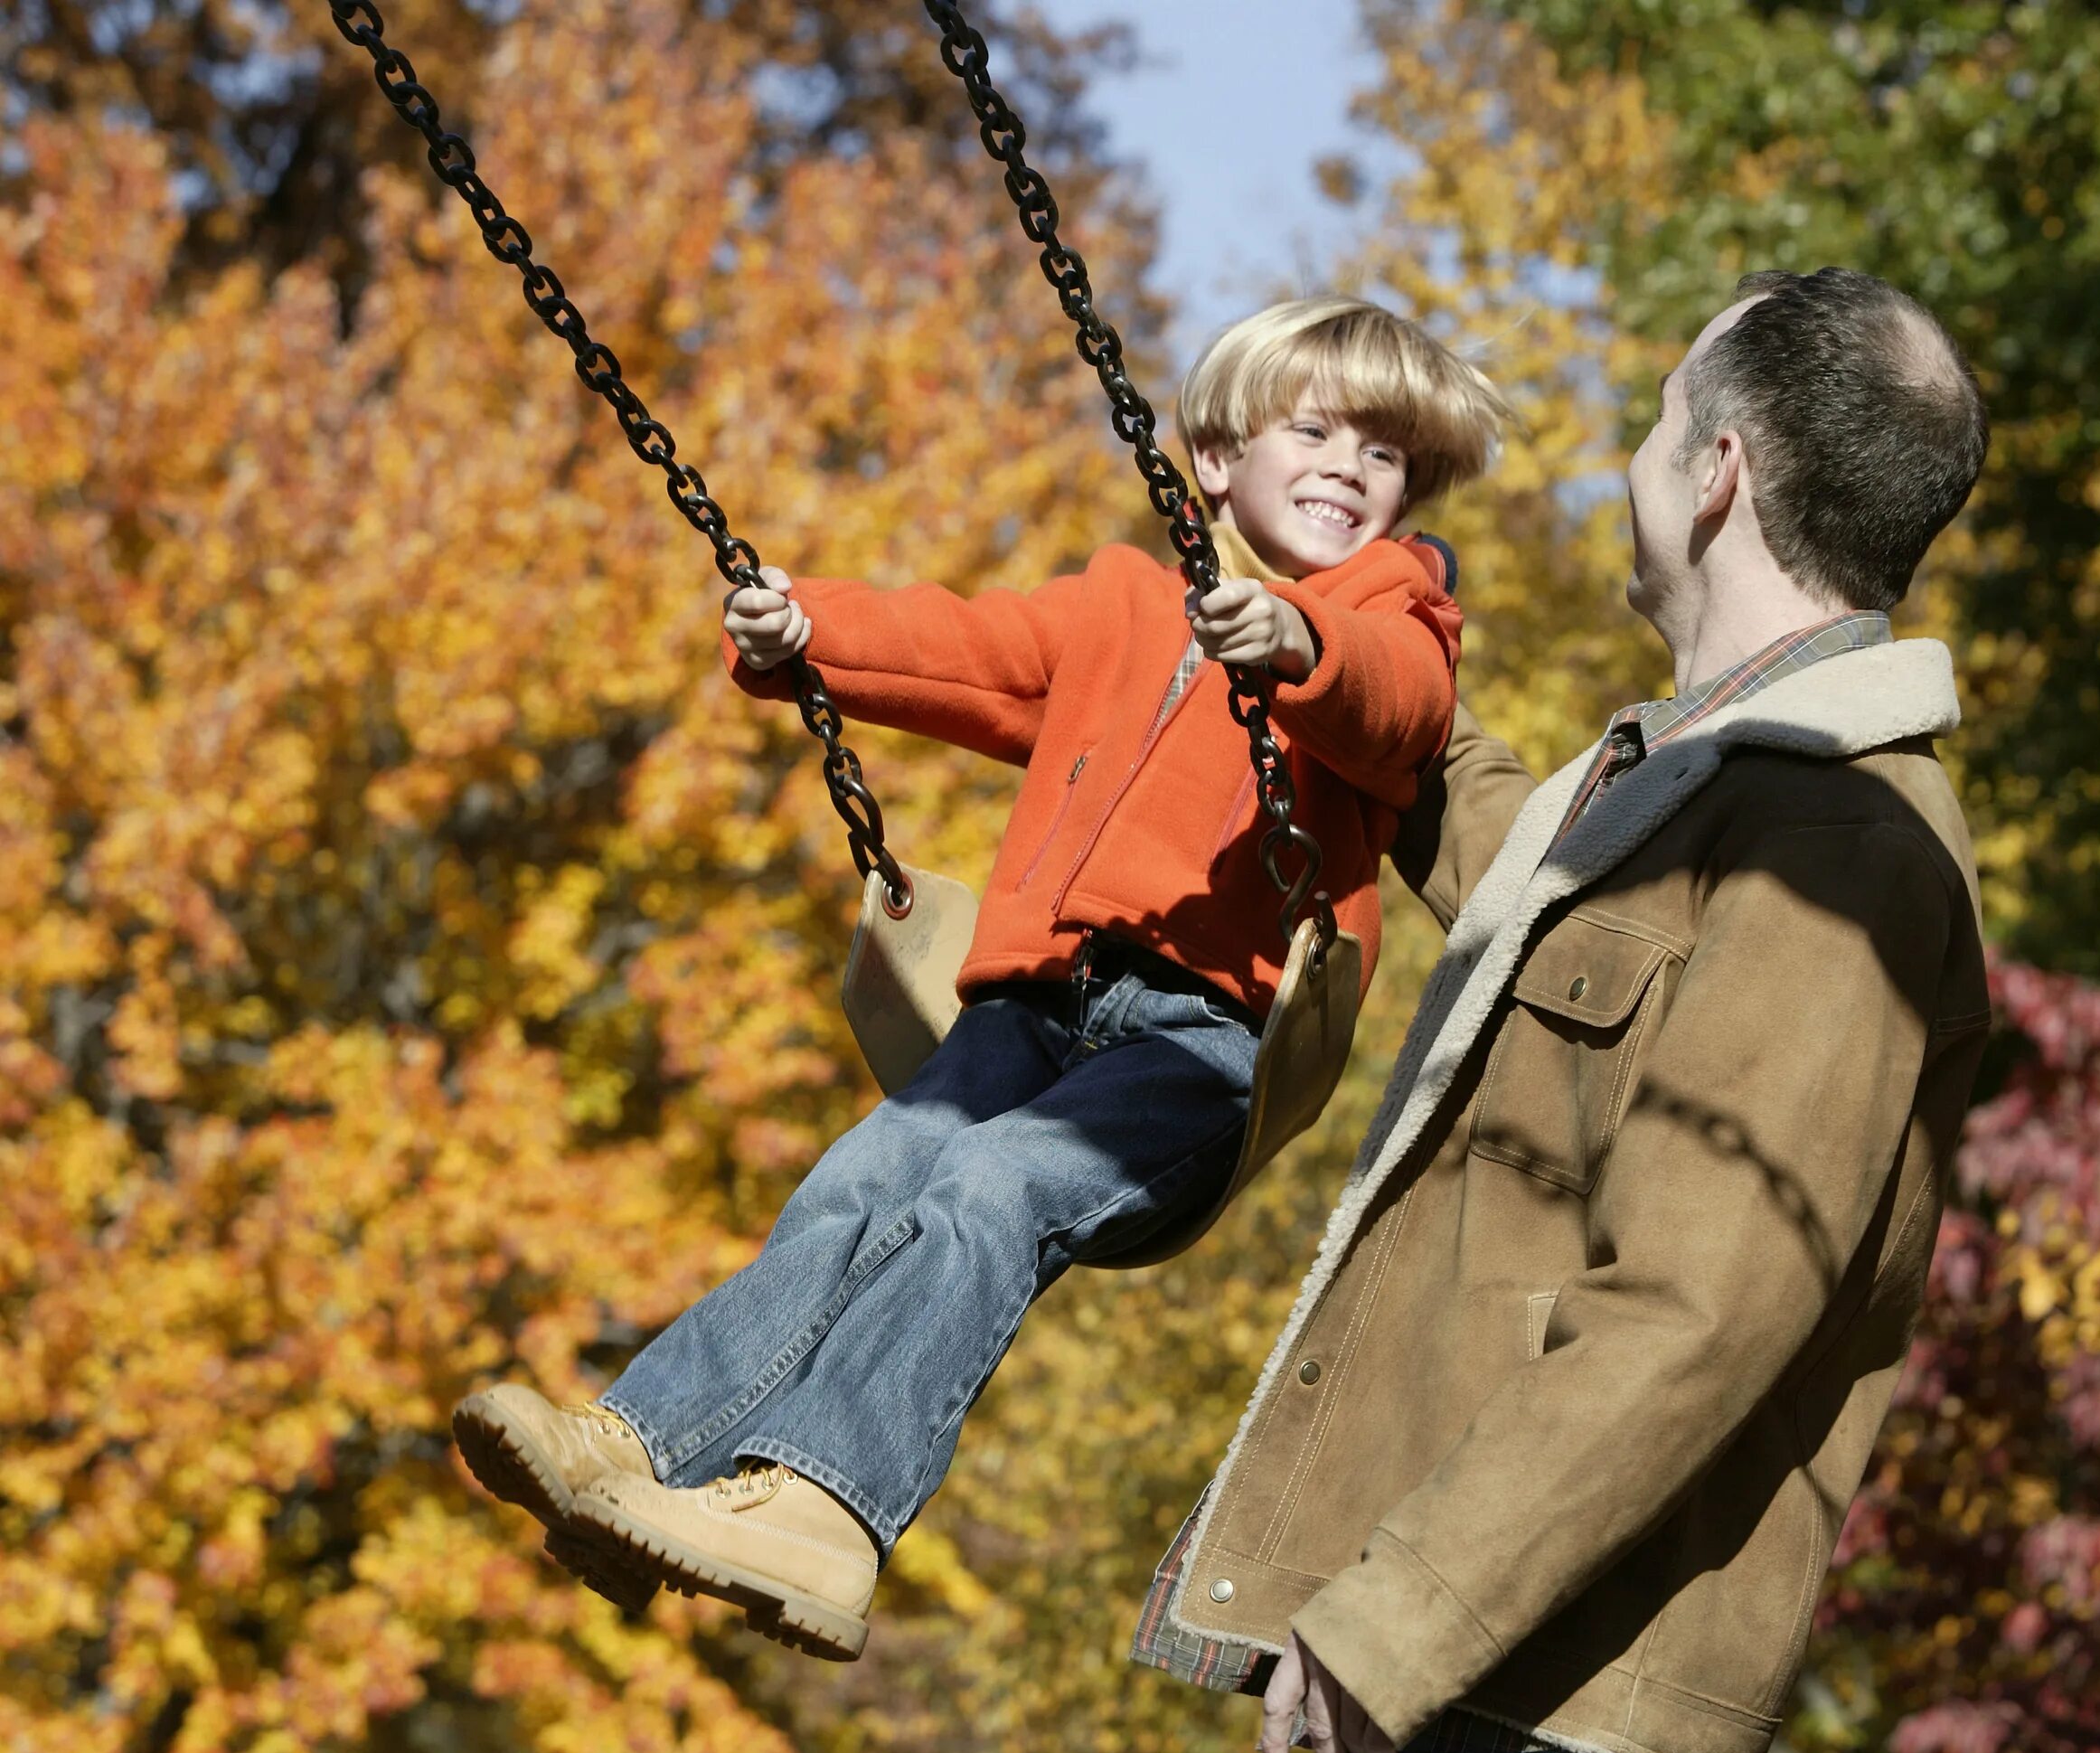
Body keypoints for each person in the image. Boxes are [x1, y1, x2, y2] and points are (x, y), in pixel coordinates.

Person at [448, 296, 1512, 1662]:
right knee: (862, 1180)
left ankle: (825, 1510)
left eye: (1384, 457)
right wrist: (803, 630)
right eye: (1311, 430)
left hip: (1199, 1045)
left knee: (988, 1191)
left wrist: (1299, 646)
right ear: (1217, 460)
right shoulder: (1128, 605)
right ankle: (634, 1449)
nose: (1347, 469)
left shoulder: (1391, 616)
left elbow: (1399, 704)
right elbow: (969, 651)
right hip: (1033, 1001)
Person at [1128, 268, 1994, 1753]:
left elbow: (1704, 1301)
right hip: (1481, 1704)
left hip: (1548, 1724)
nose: (1638, 458)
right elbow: (1509, 880)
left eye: (1662, 422)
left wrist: (1405, 1615)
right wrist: (1341, 662)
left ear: (1719, 475)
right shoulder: (1697, 781)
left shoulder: (1836, 839)